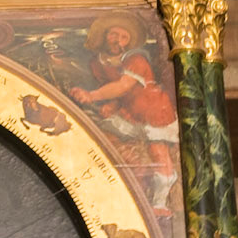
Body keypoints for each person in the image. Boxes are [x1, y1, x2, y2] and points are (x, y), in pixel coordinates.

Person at [69, 17, 178, 146]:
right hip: (129, 113)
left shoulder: (136, 60)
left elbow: (123, 86)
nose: (117, 41)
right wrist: (112, 105)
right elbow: (115, 93)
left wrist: (91, 96)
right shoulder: (97, 64)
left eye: (124, 37)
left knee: (157, 151)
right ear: (104, 36)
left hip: (153, 113)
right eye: (113, 34)